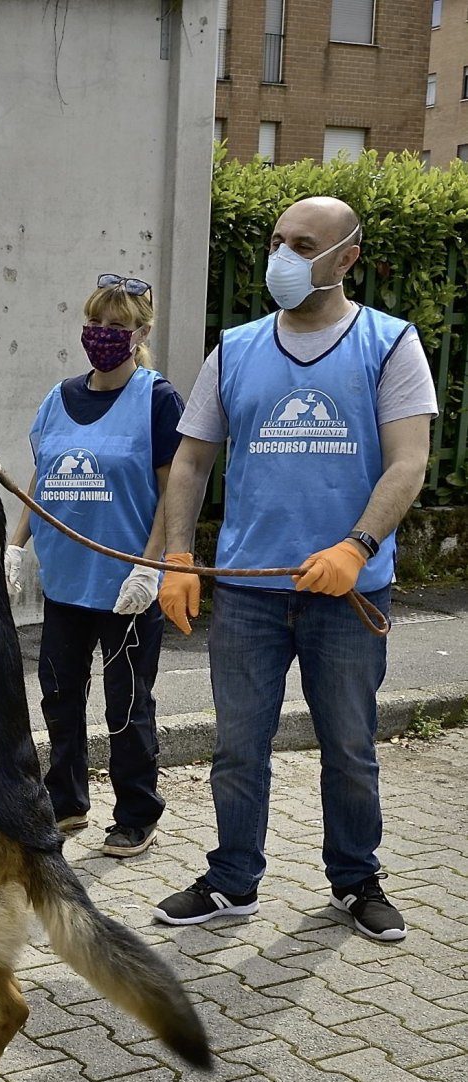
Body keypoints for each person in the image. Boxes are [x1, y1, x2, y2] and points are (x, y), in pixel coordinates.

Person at [154, 196, 437, 942]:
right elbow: (190, 461)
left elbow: (409, 463)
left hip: (346, 598)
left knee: (349, 746)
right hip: (247, 596)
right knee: (237, 746)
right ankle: (232, 880)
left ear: (346, 257)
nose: (282, 255)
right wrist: (177, 558)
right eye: (277, 240)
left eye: (302, 243)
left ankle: (356, 879)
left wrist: (357, 547)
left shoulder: (389, 343)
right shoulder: (236, 348)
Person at [5, 275, 184, 857]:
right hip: (66, 581)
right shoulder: (57, 398)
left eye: (118, 326)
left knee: (127, 703)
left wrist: (150, 568)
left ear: (141, 334)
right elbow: (42, 479)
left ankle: (137, 812)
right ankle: (68, 802)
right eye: (97, 323)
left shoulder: (156, 399)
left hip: (127, 585)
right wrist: (15, 543)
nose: (104, 335)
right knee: (59, 695)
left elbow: (172, 491)